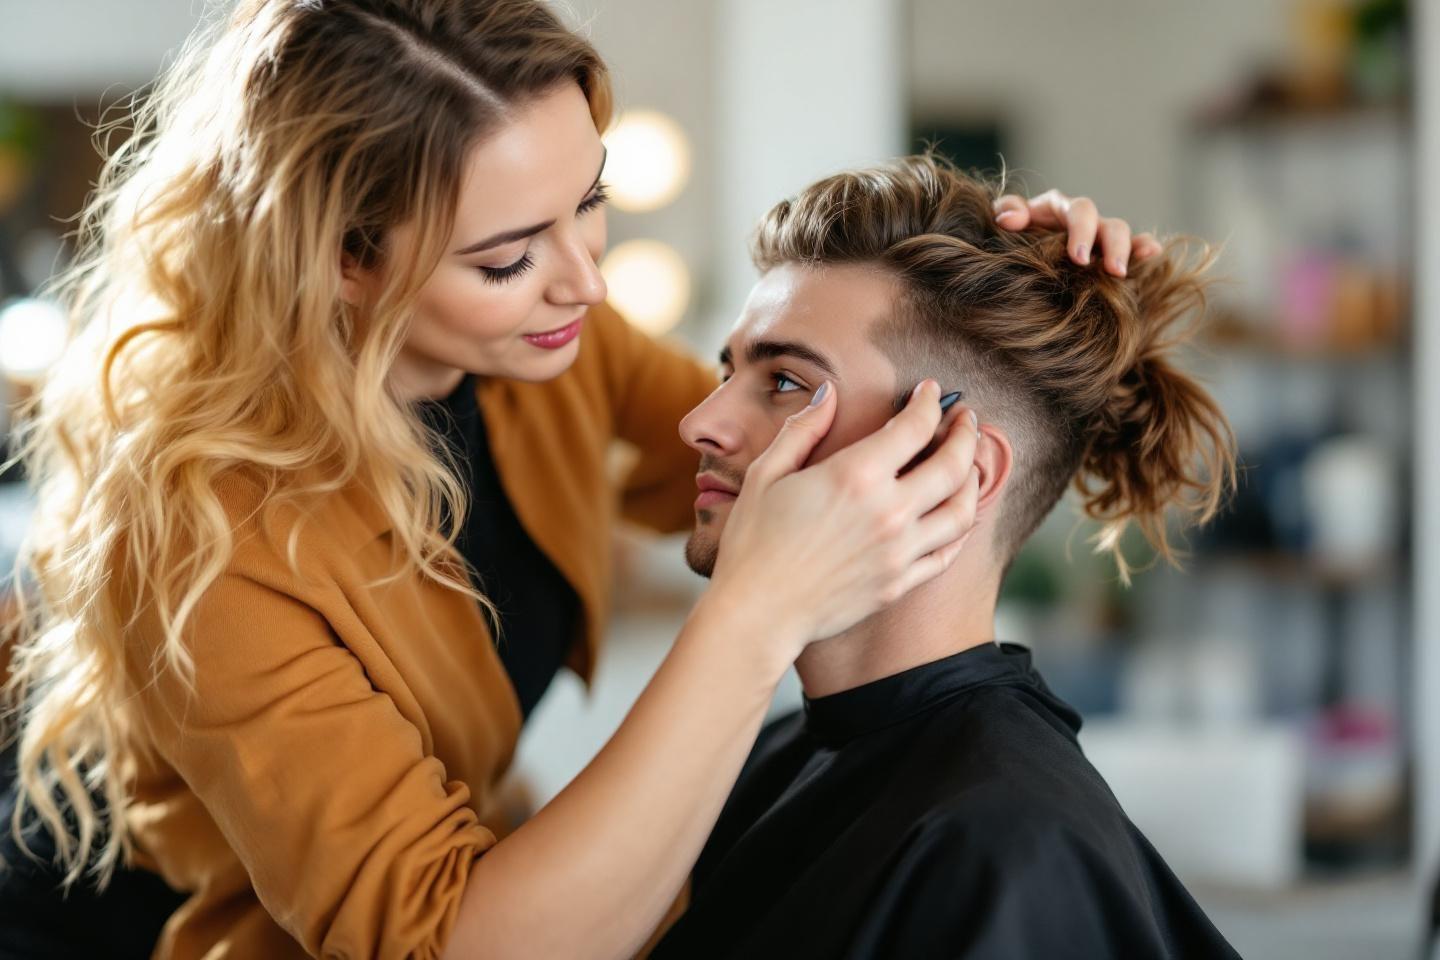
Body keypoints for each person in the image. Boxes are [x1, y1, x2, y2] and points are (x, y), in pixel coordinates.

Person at [0, 2, 1152, 958]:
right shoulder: (204, 534)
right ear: (346, 258)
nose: (585, 288)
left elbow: (745, 434)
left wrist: (1020, 311)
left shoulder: (533, 345)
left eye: (591, 202)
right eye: (507, 257)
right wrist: (756, 614)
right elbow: (444, 941)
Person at [650, 154, 1241, 960]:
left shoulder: (1003, 845)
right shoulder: (767, 752)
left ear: (957, 466)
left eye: (784, 381)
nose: (700, 422)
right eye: (730, 370)